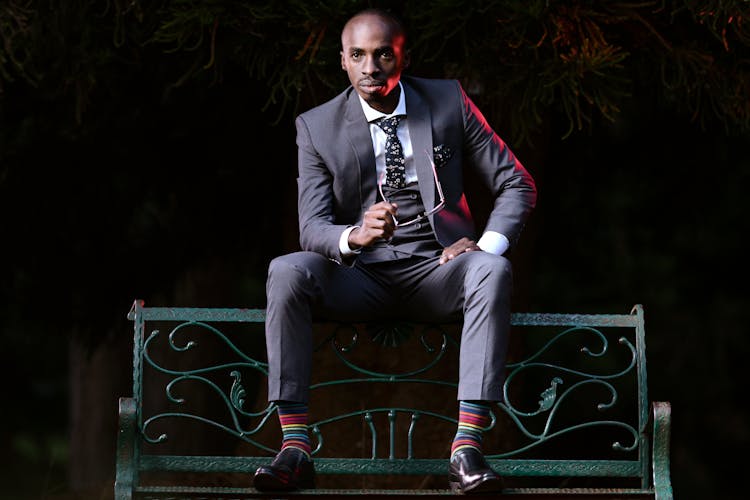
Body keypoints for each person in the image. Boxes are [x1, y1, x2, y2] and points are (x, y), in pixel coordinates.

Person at [252, 7, 537, 494]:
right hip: (359, 275)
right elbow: (312, 227)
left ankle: (466, 450)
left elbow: (517, 182)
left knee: (491, 269)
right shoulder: (316, 126)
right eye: (358, 55)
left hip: (438, 271)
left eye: (383, 54)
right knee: (286, 270)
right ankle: (294, 449)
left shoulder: (448, 101)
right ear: (342, 61)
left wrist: (481, 244)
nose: (371, 67)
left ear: (403, 56)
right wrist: (353, 236)